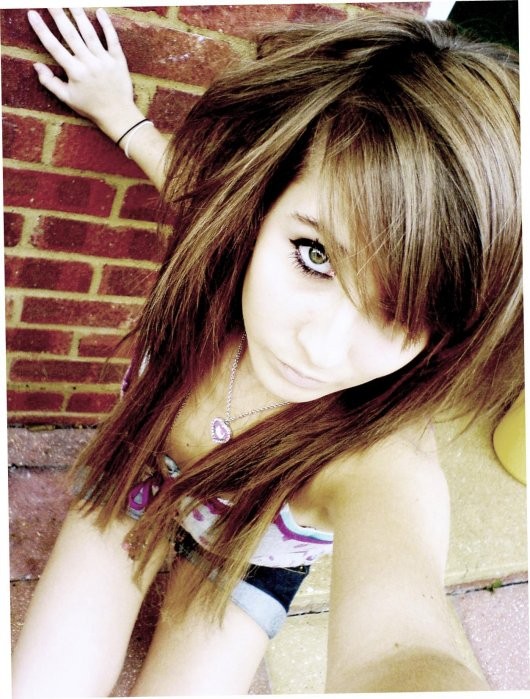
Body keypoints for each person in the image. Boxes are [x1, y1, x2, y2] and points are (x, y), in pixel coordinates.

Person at [12, 6, 522, 696]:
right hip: (136, 472)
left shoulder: (382, 461)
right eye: (316, 255)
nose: (320, 345)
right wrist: (120, 113)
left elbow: (403, 650)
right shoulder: (222, 250)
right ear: (260, 208)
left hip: (240, 559)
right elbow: (182, 180)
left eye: (404, 309)